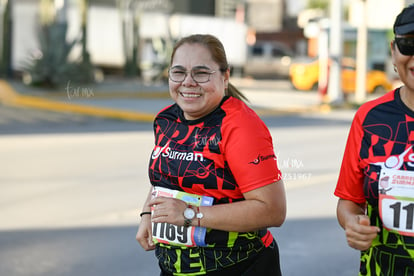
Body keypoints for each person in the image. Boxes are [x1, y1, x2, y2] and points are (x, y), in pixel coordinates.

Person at [136, 34, 286, 275]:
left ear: (225, 77)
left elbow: (272, 210)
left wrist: (188, 214)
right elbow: (166, 177)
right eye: (178, 72)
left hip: (239, 266)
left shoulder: (239, 126)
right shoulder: (167, 119)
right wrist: (147, 214)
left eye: (201, 73)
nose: (188, 82)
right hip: (174, 267)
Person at [335, 4, 414, 275]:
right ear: (394, 50)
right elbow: (349, 201)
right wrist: (353, 223)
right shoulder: (369, 118)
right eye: (408, 45)